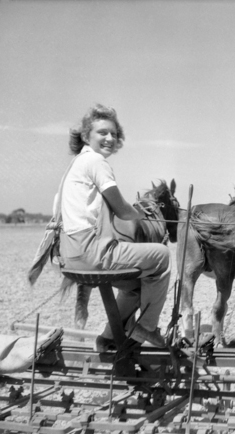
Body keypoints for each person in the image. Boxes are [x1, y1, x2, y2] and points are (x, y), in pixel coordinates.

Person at [58, 104, 169, 349]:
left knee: (135, 289)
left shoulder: (73, 166)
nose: (109, 138)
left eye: (114, 134)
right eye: (102, 133)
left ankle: (108, 338)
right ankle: (147, 328)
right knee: (162, 256)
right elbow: (122, 209)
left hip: (70, 256)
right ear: (87, 136)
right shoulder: (96, 161)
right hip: (91, 253)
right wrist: (138, 215)